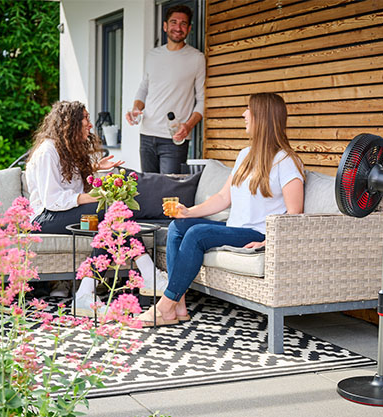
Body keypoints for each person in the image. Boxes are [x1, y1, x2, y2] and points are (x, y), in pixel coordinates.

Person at [137, 93, 305, 326]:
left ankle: (165, 306)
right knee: (178, 226)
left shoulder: (286, 161)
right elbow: (223, 197)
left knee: (197, 234)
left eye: (249, 110)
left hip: (256, 233)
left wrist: (269, 243)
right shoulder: (245, 155)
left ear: (263, 118)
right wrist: (188, 212)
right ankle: (180, 305)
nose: (244, 114)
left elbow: (295, 214)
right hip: (234, 227)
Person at [25, 100, 166, 314]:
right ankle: (149, 274)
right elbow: (52, 200)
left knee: (110, 223)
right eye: (86, 119)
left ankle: (86, 293)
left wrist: (93, 168)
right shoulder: (48, 151)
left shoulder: (66, 150)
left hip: (59, 213)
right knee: (111, 212)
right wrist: (93, 197)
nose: (90, 125)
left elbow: (69, 183)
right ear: (71, 123)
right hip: (44, 219)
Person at [125, 4, 205, 174]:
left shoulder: (197, 58)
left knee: (169, 188)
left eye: (183, 24)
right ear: (165, 26)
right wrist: (136, 109)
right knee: (148, 186)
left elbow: (202, 100)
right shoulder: (152, 56)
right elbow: (144, 88)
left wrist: (188, 126)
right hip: (146, 134)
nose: (178, 27)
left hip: (174, 139)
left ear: (189, 28)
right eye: (174, 22)